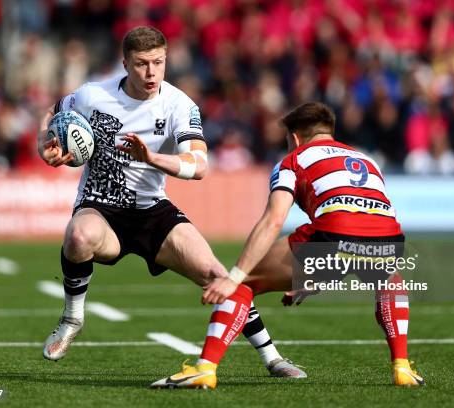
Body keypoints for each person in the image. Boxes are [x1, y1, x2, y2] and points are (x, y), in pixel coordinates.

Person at [37, 26, 305, 379]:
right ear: (125, 64)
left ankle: (272, 357)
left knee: (217, 276)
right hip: (100, 207)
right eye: (141, 64)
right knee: (77, 236)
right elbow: (53, 113)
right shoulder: (92, 95)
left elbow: (198, 166)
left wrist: (151, 158)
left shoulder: (180, 105)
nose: (151, 72)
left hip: (152, 211)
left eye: (158, 63)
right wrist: (46, 145)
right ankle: (72, 317)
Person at [153, 102, 425, 388]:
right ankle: (402, 367)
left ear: (294, 138)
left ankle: (205, 369)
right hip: (389, 238)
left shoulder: (294, 160)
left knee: (244, 285)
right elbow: (365, 229)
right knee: (390, 281)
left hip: (333, 233)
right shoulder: (367, 160)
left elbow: (274, 220)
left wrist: (234, 276)